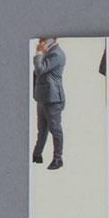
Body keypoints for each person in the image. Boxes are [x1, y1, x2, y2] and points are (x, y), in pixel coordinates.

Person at [32, 37, 66, 168]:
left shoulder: (56, 54)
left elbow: (39, 70)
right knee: (42, 129)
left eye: (43, 38)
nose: (40, 40)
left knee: (55, 129)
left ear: (50, 39)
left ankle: (58, 159)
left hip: (53, 99)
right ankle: (37, 154)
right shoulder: (49, 52)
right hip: (42, 96)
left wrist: (39, 52)